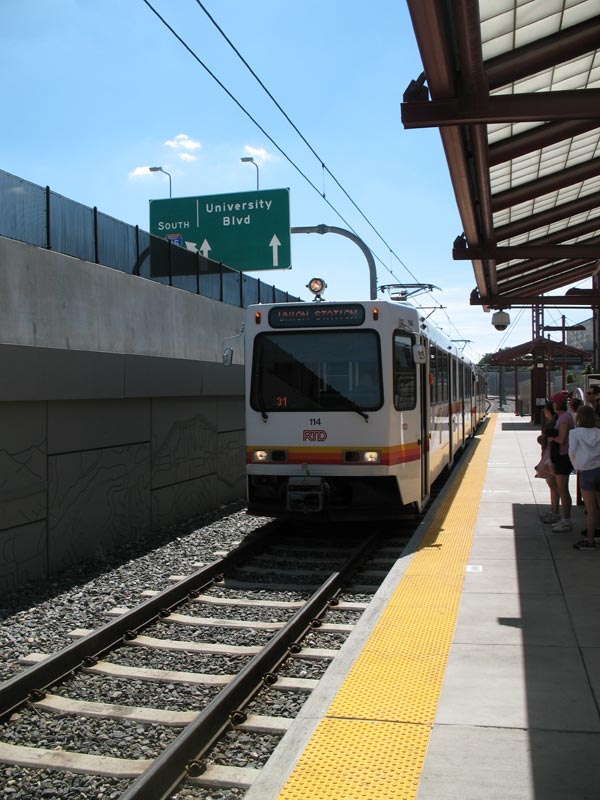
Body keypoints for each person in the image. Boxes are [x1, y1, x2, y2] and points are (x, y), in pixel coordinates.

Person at [568, 404, 600, 550]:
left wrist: (577, 466)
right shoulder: (598, 432)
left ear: (579, 417)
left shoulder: (575, 433)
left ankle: (590, 541)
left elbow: (572, 452)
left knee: (591, 508)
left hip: (586, 472)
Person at [547, 390, 574, 532]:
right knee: (560, 488)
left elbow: (562, 439)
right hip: (561, 457)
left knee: (563, 489)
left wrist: (552, 438)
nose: (553, 404)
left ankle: (566, 520)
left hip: (563, 457)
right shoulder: (563, 417)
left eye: (554, 402)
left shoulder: (564, 419)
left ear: (558, 404)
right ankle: (564, 518)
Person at [537, 400, 560, 523]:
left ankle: (555, 512)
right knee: (552, 485)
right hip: (549, 457)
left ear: (548, 410)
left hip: (551, 458)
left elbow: (552, 439)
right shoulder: (554, 422)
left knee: (553, 486)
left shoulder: (553, 423)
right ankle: (553, 510)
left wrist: (543, 439)